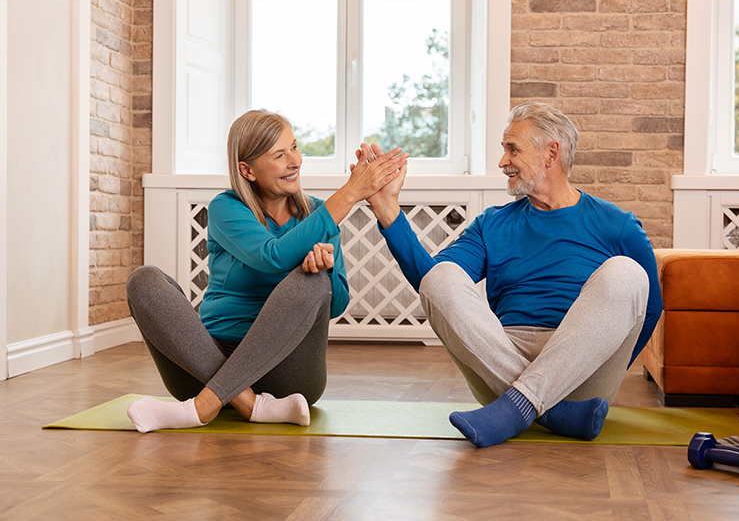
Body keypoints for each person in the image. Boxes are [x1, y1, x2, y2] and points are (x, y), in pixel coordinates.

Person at [359, 101, 663, 448]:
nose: (503, 161)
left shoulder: (617, 224)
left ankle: (523, 405)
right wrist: (387, 210)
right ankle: (550, 411)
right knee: (441, 277)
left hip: (584, 372)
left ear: (551, 154)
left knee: (628, 274)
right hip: (500, 356)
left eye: (512, 149)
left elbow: (649, 307)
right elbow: (434, 284)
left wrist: (593, 358)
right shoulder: (492, 224)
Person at [125, 109, 408, 433]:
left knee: (313, 280)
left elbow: (337, 305)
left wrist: (327, 272)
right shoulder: (226, 207)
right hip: (204, 364)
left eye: (295, 147)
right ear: (247, 170)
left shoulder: (319, 213)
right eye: (279, 154)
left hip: (288, 374)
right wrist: (351, 192)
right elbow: (271, 256)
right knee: (144, 280)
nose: (295, 161)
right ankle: (251, 405)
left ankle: (201, 408)